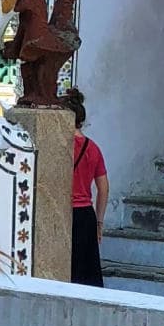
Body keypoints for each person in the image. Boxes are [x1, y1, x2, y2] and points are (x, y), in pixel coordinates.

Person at [64, 88, 107, 288]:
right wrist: (99, 222)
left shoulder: (61, 147)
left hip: (64, 213)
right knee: (87, 273)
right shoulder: (93, 148)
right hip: (86, 215)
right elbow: (103, 188)